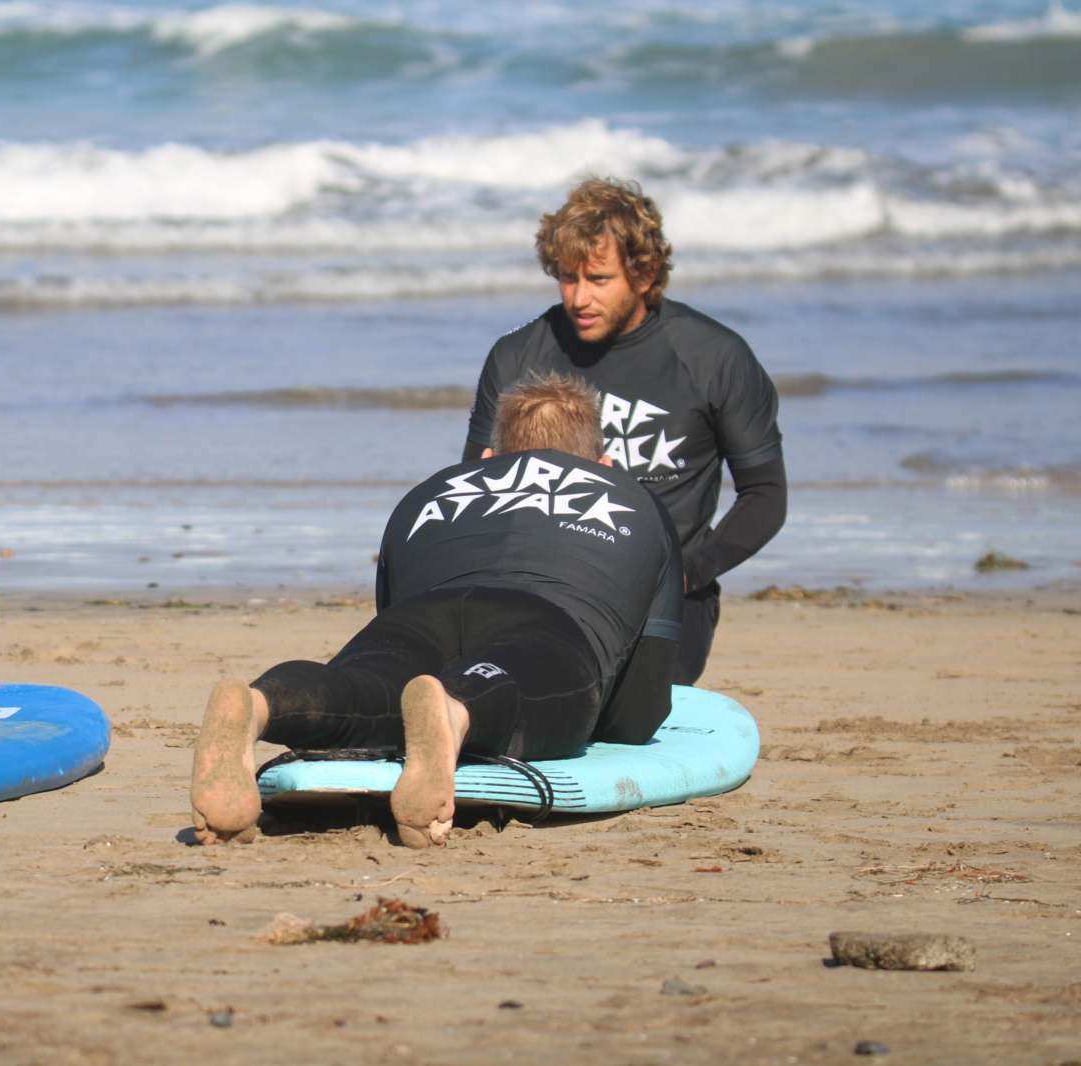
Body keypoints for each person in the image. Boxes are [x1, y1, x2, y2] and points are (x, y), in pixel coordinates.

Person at [191, 374, 681, 848]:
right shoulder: (633, 499)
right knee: (511, 685)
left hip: (423, 614)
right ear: (605, 464)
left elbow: (393, 620)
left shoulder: (431, 490)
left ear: (487, 458)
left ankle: (262, 705)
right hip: (548, 621)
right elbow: (639, 711)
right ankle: (456, 713)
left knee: (370, 686)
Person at [464, 178, 785, 684]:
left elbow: (765, 495)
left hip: (663, 593)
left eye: (598, 278)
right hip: (542, 586)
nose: (579, 298)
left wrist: (690, 572)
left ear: (644, 272)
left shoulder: (714, 358)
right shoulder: (517, 355)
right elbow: (475, 486)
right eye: (567, 278)